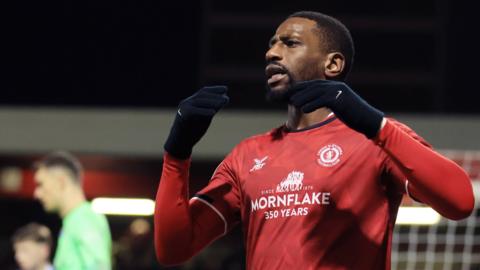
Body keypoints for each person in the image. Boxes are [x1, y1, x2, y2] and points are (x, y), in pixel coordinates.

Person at [154, 11, 475, 269]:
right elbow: (174, 249)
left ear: (333, 64)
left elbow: (459, 202)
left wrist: (375, 124)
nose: (271, 52)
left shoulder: (376, 139)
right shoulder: (247, 155)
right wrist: (177, 153)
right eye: (271, 43)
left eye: (289, 43)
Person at [33, 151, 112, 270]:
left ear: (61, 182)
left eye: (41, 184)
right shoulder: (74, 220)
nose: (37, 193)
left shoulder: (84, 219)